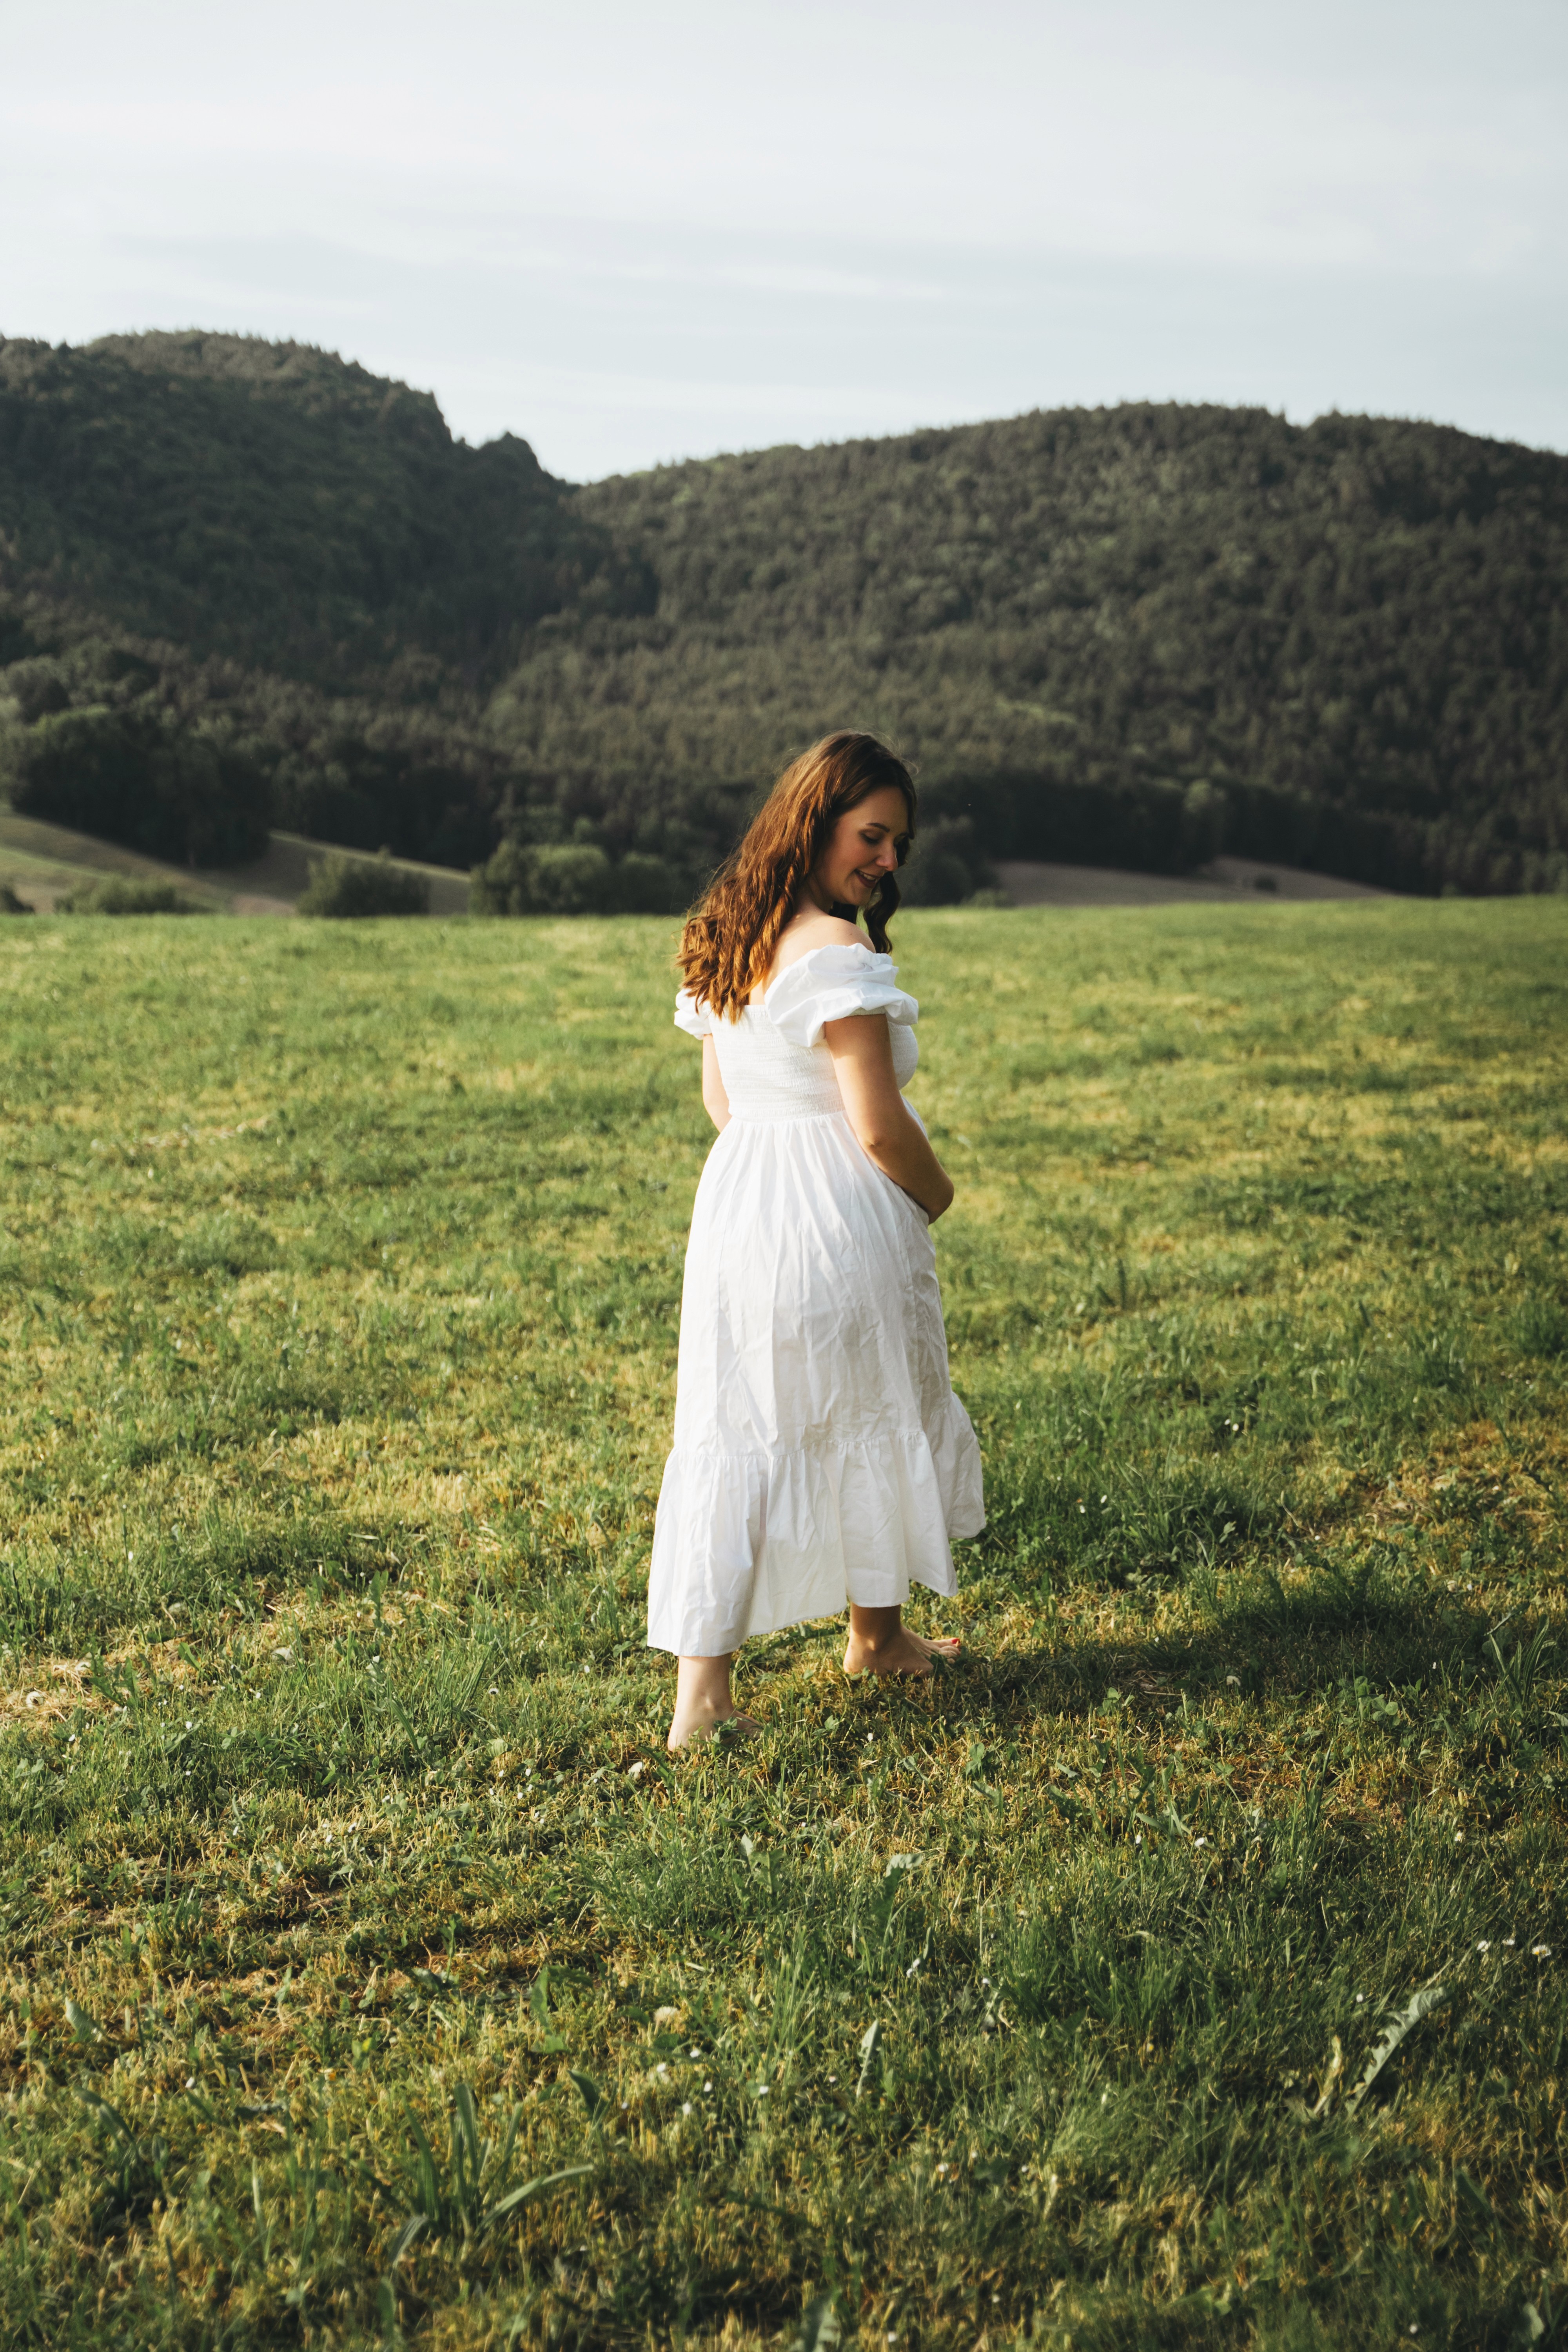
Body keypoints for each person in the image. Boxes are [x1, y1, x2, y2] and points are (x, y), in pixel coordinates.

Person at [647, 730, 985, 1748]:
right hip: (842, 1213)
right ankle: (874, 1638)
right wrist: (935, 1195)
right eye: (872, 836)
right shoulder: (837, 951)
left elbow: (723, 1100)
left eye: (898, 846)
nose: (888, 861)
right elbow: (878, 1123)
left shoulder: (732, 930)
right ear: (817, 820)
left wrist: (775, 1173)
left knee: (739, 1430)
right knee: (869, 1406)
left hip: (743, 1209)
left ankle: (706, 1699)